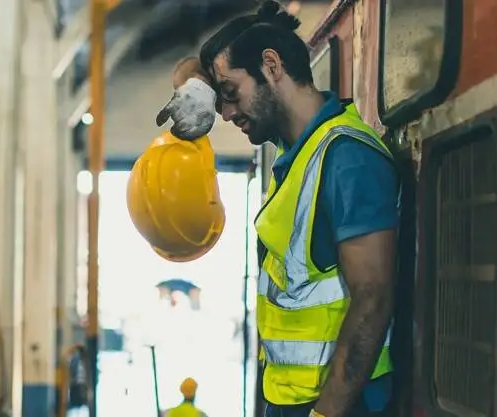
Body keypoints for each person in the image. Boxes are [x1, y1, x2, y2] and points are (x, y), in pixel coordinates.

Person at [155, 2, 399, 417]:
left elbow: (373, 298)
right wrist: (201, 89)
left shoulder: (347, 158)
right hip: (290, 400)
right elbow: (188, 69)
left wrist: (326, 413)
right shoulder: (293, 156)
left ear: (271, 65)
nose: (228, 113)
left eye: (230, 95)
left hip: (337, 406)